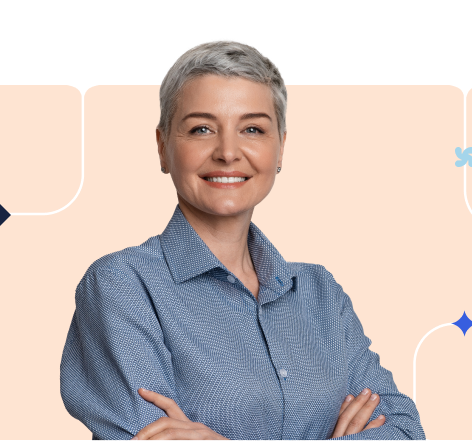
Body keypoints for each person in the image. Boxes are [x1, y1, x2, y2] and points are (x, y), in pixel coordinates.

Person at [60, 38, 427, 440]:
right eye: (201, 129)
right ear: (163, 148)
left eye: (252, 128)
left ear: (280, 148)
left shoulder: (320, 293)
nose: (228, 152)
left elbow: (405, 430)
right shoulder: (122, 287)